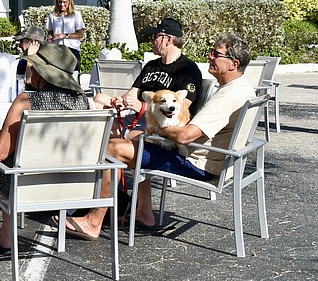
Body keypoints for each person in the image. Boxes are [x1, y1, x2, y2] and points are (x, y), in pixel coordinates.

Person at [62, 33, 256, 241]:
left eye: (216, 54)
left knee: (113, 149)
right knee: (135, 140)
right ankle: (143, 212)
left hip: (196, 163)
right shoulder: (243, 89)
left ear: (233, 64)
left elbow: (184, 136)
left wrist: (155, 128)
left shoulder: (227, 96)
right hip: (215, 161)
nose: (210, 56)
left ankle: (93, 222)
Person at [0, 43, 93, 253]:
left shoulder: (26, 101)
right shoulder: (84, 102)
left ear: (43, 74)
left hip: (25, 188)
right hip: (69, 187)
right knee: (18, 162)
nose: (31, 72)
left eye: (34, 68)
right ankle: (5, 235)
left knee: (11, 166)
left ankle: (6, 238)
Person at [95, 18, 203, 139]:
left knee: (106, 134)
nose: (151, 41)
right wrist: (122, 101)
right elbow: (132, 92)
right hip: (137, 116)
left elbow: (181, 108)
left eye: (155, 37)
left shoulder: (187, 70)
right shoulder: (151, 65)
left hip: (160, 123)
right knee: (100, 99)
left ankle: (114, 144)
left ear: (168, 40)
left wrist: (143, 107)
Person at [45, 0, 85, 72]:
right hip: (57, 49)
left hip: (72, 49)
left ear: (69, 2)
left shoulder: (76, 15)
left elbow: (80, 34)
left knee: (73, 74)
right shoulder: (52, 15)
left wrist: (64, 35)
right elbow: (50, 31)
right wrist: (50, 37)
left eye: (64, 2)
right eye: (60, 2)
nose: (62, 5)